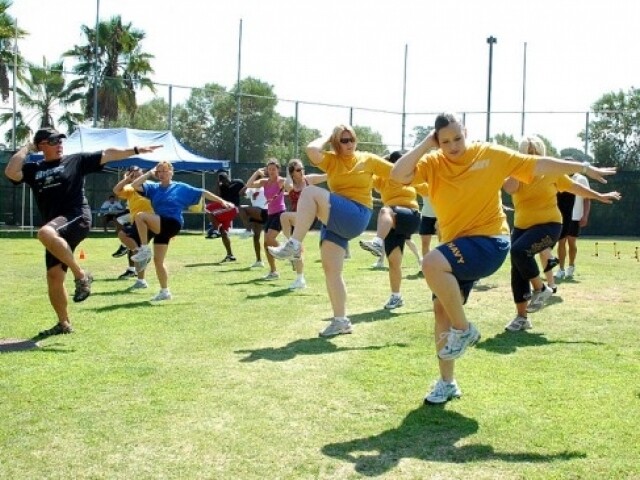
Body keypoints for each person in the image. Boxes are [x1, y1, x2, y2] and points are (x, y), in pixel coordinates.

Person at [390, 113, 617, 405]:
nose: (453, 145)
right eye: (445, 141)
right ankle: (447, 383)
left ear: (466, 132)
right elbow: (398, 175)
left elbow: (539, 165)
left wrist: (582, 166)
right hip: (456, 249)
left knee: (431, 262)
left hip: (489, 242)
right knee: (440, 311)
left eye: (458, 138)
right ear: (437, 140)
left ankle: (465, 329)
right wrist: (426, 144)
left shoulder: (489, 154)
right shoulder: (433, 163)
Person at [4, 127, 161, 336]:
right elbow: (11, 172)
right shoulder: (34, 169)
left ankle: (82, 276)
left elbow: (107, 154)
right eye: (53, 141)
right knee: (53, 276)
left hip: (76, 216)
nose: (59, 144)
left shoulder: (75, 161)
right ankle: (63, 323)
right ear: (41, 145)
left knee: (44, 233)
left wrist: (135, 149)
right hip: (56, 226)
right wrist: (27, 147)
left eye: (61, 140)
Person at [268, 125, 393, 337]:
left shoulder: (368, 159)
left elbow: (397, 171)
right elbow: (311, 150)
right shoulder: (331, 160)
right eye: (343, 140)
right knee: (331, 271)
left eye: (351, 139)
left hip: (357, 213)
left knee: (309, 193)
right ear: (336, 142)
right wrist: (329, 135)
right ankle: (340, 321)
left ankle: (294, 245)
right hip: (335, 218)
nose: (349, 144)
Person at [503, 135, 621, 332]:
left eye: (535, 153)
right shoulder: (516, 174)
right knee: (517, 269)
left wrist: (599, 196)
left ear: (542, 154)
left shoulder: (551, 173)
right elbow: (509, 188)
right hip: (522, 228)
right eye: (527, 153)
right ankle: (522, 318)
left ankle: (541, 289)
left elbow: (575, 187)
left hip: (549, 225)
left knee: (518, 251)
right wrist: (520, 166)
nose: (532, 156)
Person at [130, 161, 234, 301]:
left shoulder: (180, 187)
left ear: (172, 172)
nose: (161, 174)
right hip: (161, 225)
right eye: (159, 171)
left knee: (140, 216)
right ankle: (165, 292)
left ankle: (144, 249)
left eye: (165, 171)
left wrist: (221, 201)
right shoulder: (153, 187)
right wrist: (149, 173)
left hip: (173, 223)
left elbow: (203, 192)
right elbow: (134, 185)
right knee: (158, 261)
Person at [359, 151, 429, 309]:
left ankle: (377, 242)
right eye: (398, 163)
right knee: (394, 262)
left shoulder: (410, 177)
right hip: (393, 223)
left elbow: (428, 190)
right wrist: (381, 161)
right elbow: (368, 175)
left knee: (385, 210)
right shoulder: (384, 178)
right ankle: (396, 297)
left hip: (410, 216)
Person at [280, 158, 327, 290]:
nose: (302, 172)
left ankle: (288, 245)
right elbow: (287, 181)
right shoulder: (289, 185)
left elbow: (325, 177)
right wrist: (288, 173)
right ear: (292, 173)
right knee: (298, 249)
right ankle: (300, 279)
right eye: (298, 170)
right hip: (297, 219)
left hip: (309, 217)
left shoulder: (309, 180)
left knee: (284, 216)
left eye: (303, 169)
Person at [113, 166, 155, 289]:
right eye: (133, 175)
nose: (136, 177)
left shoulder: (151, 185)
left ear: (143, 174)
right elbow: (116, 190)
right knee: (131, 243)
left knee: (139, 247)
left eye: (138, 174)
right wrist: (126, 180)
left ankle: (141, 257)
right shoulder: (130, 188)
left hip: (149, 220)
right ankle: (141, 280)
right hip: (136, 221)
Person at [245, 159, 286, 280]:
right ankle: (273, 272)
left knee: (269, 238)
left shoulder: (281, 181)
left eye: (274, 169)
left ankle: (288, 253)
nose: (272, 171)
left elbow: (291, 186)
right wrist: (257, 172)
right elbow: (248, 185)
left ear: (278, 170)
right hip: (270, 214)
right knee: (266, 244)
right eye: (269, 169)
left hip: (280, 213)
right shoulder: (265, 182)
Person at [554, 167, 592, 280]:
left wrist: (585, 216)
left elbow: (587, 198)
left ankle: (571, 266)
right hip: (560, 216)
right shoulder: (558, 177)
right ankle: (561, 269)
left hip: (575, 217)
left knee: (571, 242)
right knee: (561, 242)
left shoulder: (581, 179)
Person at [205, 171, 245, 263]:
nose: (224, 181)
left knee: (207, 208)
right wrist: (218, 185)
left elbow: (245, 190)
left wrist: (249, 193)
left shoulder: (238, 182)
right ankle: (230, 255)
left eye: (224, 178)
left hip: (231, 207)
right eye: (221, 179)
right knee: (223, 232)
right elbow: (217, 197)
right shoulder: (222, 187)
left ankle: (215, 229)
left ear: (229, 176)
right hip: (226, 211)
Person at [237, 186, 268, 268]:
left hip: (264, 211)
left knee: (241, 208)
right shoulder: (251, 189)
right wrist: (248, 184)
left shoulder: (265, 186)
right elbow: (241, 193)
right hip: (256, 214)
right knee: (256, 237)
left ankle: (248, 230)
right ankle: (259, 261)